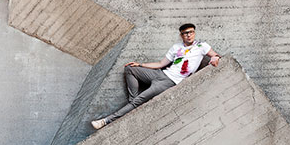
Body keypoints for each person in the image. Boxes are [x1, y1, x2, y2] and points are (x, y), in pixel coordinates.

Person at [91, 23, 220, 129]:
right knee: (130, 68)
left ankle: (105, 121)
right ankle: (132, 102)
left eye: (191, 32)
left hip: (169, 82)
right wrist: (140, 64)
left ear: (194, 33)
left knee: (139, 100)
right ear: (181, 35)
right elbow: (160, 64)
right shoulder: (176, 47)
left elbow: (215, 55)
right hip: (161, 73)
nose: (189, 35)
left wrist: (214, 58)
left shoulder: (202, 46)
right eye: (186, 33)